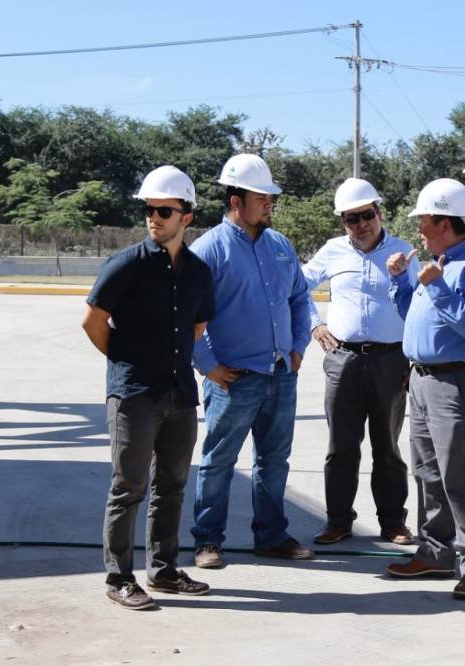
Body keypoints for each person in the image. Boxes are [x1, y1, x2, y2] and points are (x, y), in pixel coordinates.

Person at [82, 165, 214, 610]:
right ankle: (119, 577)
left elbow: (199, 323)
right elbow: (93, 321)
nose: (153, 218)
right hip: (135, 395)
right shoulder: (125, 265)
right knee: (128, 487)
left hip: (179, 393)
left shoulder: (197, 271)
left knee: (172, 487)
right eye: (148, 210)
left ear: (186, 217)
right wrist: (126, 362)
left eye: (163, 210)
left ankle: (163, 571)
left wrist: (170, 360)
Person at [383, 178, 465, 600]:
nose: (418, 228)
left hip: (458, 380)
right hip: (421, 378)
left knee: (461, 473)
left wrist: (435, 284)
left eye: (423, 220)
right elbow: (414, 316)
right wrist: (403, 282)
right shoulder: (435, 262)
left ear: (443, 221)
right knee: (428, 472)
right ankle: (435, 552)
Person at [189, 154, 314, 568]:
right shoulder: (209, 249)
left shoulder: (281, 246)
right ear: (235, 200)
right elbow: (186, 316)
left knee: (274, 460)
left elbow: (299, 298)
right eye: (261, 198)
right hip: (233, 379)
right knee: (219, 461)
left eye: (270, 198)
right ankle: (207, 540)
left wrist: (298, 347)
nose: (269, 205)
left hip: (280, 374)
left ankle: (271, 535)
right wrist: (207, 365)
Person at [301, 178, 416, 546]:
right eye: (353, 219)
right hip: (344, 360)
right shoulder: (333, 251)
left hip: (390, 361)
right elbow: (297, 286)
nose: (362, 224)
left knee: (388, 447)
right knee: (341, 447)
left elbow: (417, 306)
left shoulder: (403, 252)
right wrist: (315, 324)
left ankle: (393, 522)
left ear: (379, 213)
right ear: (343, 223)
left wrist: (414, 358)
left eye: (368, 215)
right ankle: (338, 521)